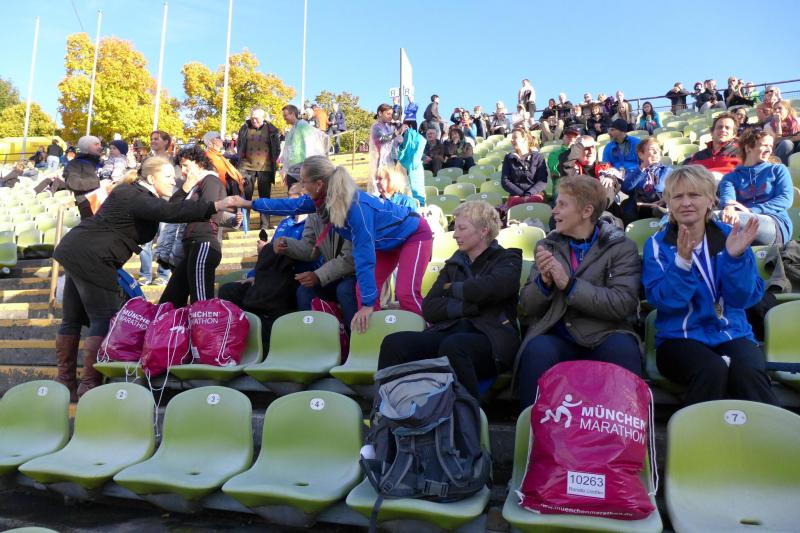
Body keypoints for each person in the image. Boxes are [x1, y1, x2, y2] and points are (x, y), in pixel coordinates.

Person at [53, 156, 245, 400]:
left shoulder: (135, 194)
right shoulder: (134, 195)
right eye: (168, 176)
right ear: (152, 179)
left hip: (76, 250)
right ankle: (90, 385)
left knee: (71, 319)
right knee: (102, 317)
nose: (173, 180)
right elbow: (170, 211)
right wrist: (217, 204)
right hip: (94, 256)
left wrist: (191, 195)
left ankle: (66, 383)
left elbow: (172, 207)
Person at [242, 155, 433, 332]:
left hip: (413, 234)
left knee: (405, 292)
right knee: (362, 291)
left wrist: (368, 305)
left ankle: (428, 335)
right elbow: (289, 205)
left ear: (318, 184)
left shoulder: (355, 207)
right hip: (385, 242)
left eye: (303, 181)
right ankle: (373, 341)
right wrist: (248, 204)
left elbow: (363, 255)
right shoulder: (325, 200)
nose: (301, 186)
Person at [642, 165, 777, 406]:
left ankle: (772, 429)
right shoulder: (657, 245)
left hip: (732, 333)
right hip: (679, 339)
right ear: (669, 203)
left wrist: (735, 259)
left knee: (748, 371)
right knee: (711, 369)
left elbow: (744, 298)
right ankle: (694, 431)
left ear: (710, 200)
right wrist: (682, 263)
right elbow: (665, 302)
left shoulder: (731, 236)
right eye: (678, 196)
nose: (686, 203)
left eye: (694, 195)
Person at [516, 176, 642, 409]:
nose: (554, 211)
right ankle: (531, 427)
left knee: (623, 350)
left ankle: (627, 427)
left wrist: (569, 285)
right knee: (537, 350)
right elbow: (526, 307)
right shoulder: (547, 245)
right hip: (558, 334)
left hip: (606, 332)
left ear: (586, 211)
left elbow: (622, 303)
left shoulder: (622, 248)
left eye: (562, 204)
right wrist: (544, 283)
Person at [378, 201, 521, 399]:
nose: (454, 234)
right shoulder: (455, 263)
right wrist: (469, 307)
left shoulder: (508, 259)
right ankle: (390, 408)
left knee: (454, 346)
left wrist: (453, 289)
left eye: (462, 228)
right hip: (450, 331)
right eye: (455, 228)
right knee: (394, 343)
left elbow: (491, 288)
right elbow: (430, 308)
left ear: (483, 231)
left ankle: (467, 412)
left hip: (491, 338)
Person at [158, 146, 242, 308]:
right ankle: (168, 323)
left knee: (201, 302)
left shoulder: (210, 180)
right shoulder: (193, 185)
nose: (183, 171)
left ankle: (204, 325)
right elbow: (171, 210)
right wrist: (185, 188)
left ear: (199, 163)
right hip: (191, 244)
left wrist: (182, 208)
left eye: (186, 165)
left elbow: (205, 209)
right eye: (181, 166)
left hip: (204, 243)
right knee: (171, 299)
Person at [718, 129, 794, 246]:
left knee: (716, 219)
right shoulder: (730, 177)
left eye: (771, 146)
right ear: (748, 148)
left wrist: (751, 211)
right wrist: (729, 207)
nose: (769, 150)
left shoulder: (778, 170)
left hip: (774, 223)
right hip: (741, 222)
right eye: (764, 145)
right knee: (714, 219)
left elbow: (785, 199)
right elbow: (728, 198)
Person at [138, 130, 176, 286]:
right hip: (148, 202)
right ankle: (145, 274)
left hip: (166, 203)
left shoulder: (173, 160)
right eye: (151, 139)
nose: (153, 141)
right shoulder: (147, 161)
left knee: (164, 238)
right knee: (145, 240)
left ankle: (163, 274)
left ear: (166, 142)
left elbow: (176, 181)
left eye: (156, 139)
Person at [236, 107, 281, 228]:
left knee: (265, 198)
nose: (254, 120)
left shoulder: (271, 129)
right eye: (252, 118)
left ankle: (264, 225)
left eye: (256, 118)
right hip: (246, 168)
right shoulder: (244, 128)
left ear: (263, 118)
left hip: (265, 168)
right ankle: (244, 225)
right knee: (246, 197)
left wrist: (271, 160)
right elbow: (240, 145)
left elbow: (277, 148)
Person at [621, 138, 671, 225]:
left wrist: (665, 199)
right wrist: (643, 167)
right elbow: (626, 188)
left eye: (658, 149)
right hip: (637, 210)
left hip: (659, 208)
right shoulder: (634, 171)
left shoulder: (667, 171)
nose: (656, 152)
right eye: (652, 149)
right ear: (641, 155)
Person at [279, 104, 328, 187]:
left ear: (292, 114)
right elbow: (289, 151)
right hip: (293, 170)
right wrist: (286, 170)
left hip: (303, 169)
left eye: (285, 115)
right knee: (292, 192)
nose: (284, 118)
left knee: (300, 193)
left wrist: (308, 168)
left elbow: (311, 146)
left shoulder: (303, 127)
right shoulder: (293, 129)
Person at [501, 127, 548, 207]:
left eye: (515, 137)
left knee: (535, 201)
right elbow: (505, 181)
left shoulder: (538, 157)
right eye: (512, 138)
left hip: (535, 193)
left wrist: (529, 194)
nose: (512, 140)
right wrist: (522, 194)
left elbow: (542, 181)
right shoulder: (509, 158)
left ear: (525, 139)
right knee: (515, 202)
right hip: (516, 195)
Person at [684, 112, 739, 177]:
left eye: (727, 128)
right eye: (719, 127)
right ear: (712, 132)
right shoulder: (698, 157)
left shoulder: (741, 154)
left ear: (734, 134)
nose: (723, 130)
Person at [369, 103, 407, 195]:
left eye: (391, 114)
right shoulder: (376, 127)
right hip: (380, 163)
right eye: (388, 114)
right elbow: (382, 139)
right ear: (380, 113)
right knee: (381, 188)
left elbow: (398, 141)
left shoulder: (390, 127)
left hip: (392, 161)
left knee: (392, 187)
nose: (390, 116)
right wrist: (397, 133)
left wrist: (402, 131)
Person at [63, 135, 103, 220]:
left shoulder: (101, 162)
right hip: (88, 205)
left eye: (100, 144)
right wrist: (98, 182)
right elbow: (72, 183)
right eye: (96, 144)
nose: (100, 147)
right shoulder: (74, 164)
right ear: (86, 147)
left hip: (105, 203)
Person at [203, 131, 244, 196]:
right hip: (218, 192)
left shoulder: (218, 155)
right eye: (218, 138)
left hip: (224, 190)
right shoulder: (208, 156)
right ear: (210, 142)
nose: (221, 140)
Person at [764, 100, 800, 165]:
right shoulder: (768, 126)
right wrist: (778, 123)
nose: (777, 111)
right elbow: (775, 143)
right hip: (779, 153)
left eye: (780, 108)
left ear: (787, 110)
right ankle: (784, 168)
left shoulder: (797, 122)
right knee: (786, 143)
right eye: (775, 109)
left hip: (796, 149)